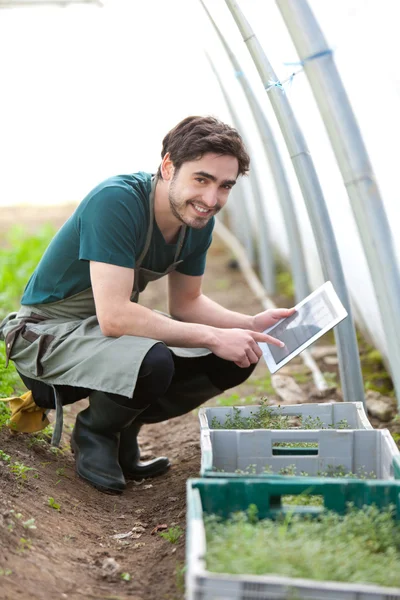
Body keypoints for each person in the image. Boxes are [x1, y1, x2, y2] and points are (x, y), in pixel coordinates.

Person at [0, 116, 293, 494]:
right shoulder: (118, 201)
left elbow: (188, 304)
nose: (211, 199)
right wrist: (213, 335)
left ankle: (125, 426)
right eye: (201, 179)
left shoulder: (196, 222)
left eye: (224, 187)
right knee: (154, 359)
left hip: (99, 333)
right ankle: (96, 433)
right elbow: (116, 317)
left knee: (232, 356)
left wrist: (251, 323)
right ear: (168, 166)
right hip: (48, 334)